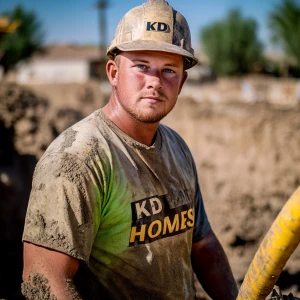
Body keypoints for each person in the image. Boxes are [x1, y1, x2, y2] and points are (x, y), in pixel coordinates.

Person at [22, 0, 238, 299]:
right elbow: (44, 280)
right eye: (141, 66)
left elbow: (202, 243)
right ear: (113, 72)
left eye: (169, 71)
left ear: (183, 81)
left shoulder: (176, 147)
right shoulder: (77, 160)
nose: (155, 82)